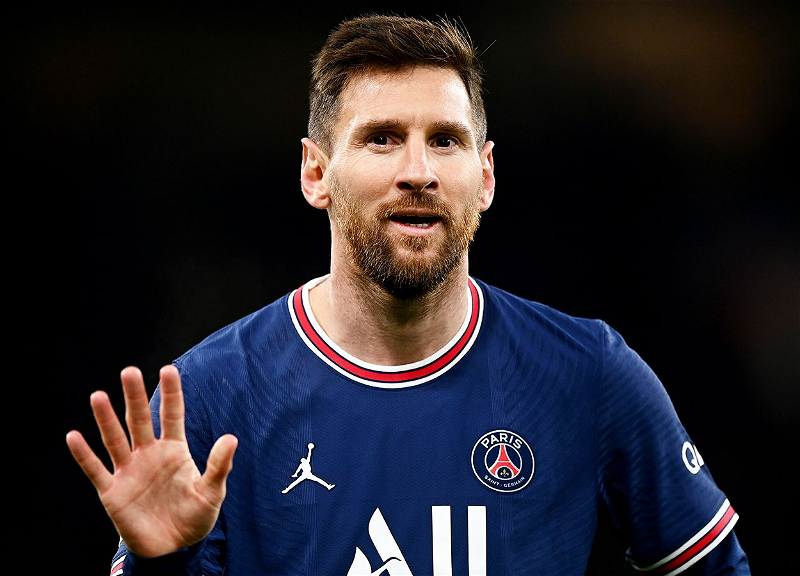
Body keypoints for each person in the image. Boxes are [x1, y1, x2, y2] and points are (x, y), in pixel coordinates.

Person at [66, 14, 751, 576]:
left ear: (485, 176)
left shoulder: (588, 373)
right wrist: (161, 562)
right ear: (316, 173)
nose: (418, 171)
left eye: (445, 140)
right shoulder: (211, 395)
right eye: (382, 139)